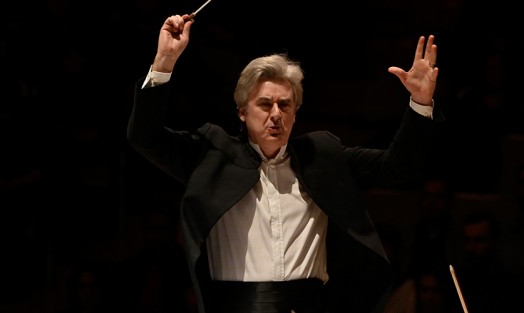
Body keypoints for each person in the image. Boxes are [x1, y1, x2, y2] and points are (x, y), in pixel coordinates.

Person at [126, 12, 444, 313]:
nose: (276, 114)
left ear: (295, 113)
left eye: (285, 105)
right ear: (241, 111)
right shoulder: (211, 154)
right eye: (265, 104)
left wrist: (420, 102)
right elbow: (145, 137)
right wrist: (164, 61)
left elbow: (399, 166)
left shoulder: (323, 156)